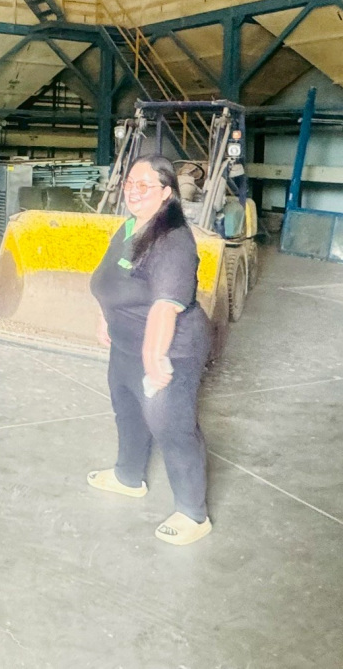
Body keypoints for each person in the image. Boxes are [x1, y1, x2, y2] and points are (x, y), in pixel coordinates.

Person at [86, 155, 213, 546]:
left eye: (144, 185)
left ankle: (193, 514)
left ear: (167, 193)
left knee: (171, 425)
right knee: (126, 408)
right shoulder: (130, 226)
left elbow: (165, 306)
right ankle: (128, 477)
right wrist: (105, 316)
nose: (133, 191)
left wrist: (154, 358)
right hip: (127, 341)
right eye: (130, 183)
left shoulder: (173, 240)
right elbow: (111, 277)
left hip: (170, 346)